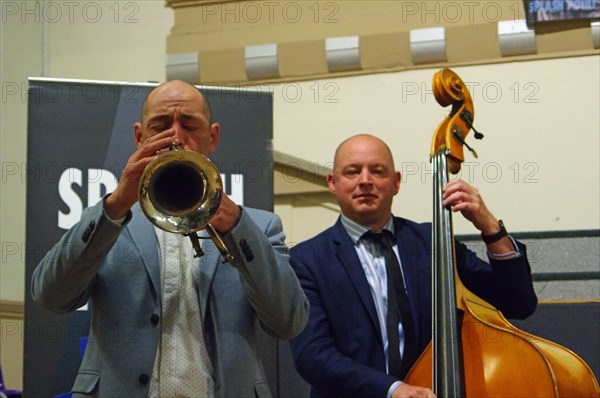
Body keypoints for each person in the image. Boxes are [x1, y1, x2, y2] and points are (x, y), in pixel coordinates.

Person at [31, 80, 309, 398]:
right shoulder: (108, 222)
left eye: (190, 124)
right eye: (160, 125)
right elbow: (50, 296)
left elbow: (289, 321)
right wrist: (116, 205)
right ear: (139, 136)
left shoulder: (260, 226)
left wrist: (235, 225)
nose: (176, 136)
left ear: (213, 137)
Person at [288, 134, 537, 398]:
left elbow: (518, 304)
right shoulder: (306, 260)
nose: (365, 181)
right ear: (333, 183)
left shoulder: (434, 243)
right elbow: (313, 356)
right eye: (352, 171)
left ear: (395, 183)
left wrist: (489, 226)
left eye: (377, 171)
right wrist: (393, 390)